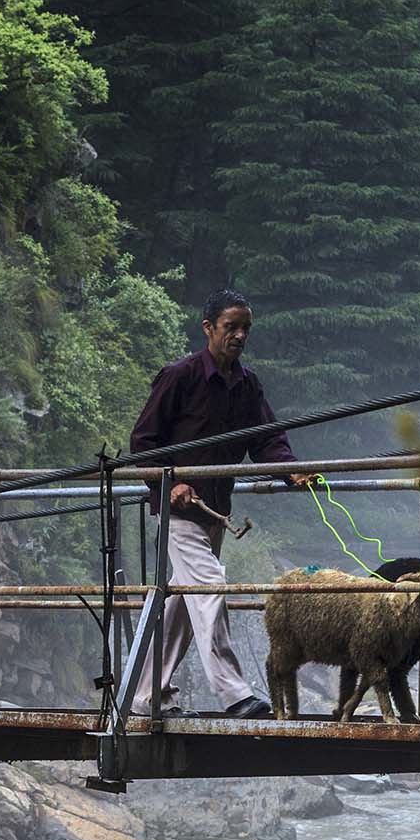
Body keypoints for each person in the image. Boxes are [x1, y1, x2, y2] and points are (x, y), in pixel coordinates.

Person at [129, 287, 314, 717]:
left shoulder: (246, 385)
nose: (239, 336)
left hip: (215, 510)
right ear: (209, 328)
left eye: (245, 328)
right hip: (178, 510)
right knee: (211, 585)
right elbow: (143, 444)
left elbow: (266, 439)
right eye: (231, 327)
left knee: (182, 602)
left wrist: (291, 470)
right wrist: (166, 483)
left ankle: (143, 696)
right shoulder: (180, 376)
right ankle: (234, 694)